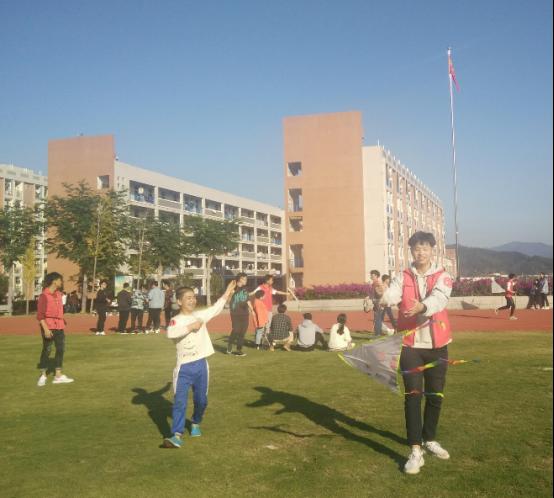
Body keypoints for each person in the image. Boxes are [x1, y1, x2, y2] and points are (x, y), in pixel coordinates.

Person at [381, 231, 453, 475]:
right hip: (410, 346)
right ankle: (415, 450)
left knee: (435, 395)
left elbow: (440, 299)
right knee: (413, 396)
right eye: (416, 248)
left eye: (425, 248)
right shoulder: (403, 276)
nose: (420, 252)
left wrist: (423, 306)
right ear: (411, 251)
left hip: (437, 345)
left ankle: (429, 438)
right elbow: (393, 294)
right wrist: (383, 297)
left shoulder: (443, 276)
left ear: (432, 250)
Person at [163, 280, 237, 448]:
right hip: (184, 367)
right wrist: (191, 326)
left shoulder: (200, 316)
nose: (192, 300)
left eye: (194, 297)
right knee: (180, 402)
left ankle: (195, 422)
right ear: (179, 301)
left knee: (201, 400)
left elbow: (215, 309)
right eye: (188, 298)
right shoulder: (175, 320)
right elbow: (171, 333)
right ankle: (176, 435)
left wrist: (227, 293)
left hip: (201, 365)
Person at [36, 272, 74, 386]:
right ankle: (43, 375)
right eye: (60, 280)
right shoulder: (44, 296)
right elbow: (40, 316)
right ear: (54, 281)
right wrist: (46, 329)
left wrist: (62, 320)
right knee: (47, 350)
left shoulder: (59, 294)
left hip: (59, 326)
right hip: (48, 326)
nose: (61, 282)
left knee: (60, 349)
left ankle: (58, 375)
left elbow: (59, 311)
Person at [252, 275, 290, 341]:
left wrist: (286, 293)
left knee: (268, 326)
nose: (272, 281)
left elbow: (277, 292)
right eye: (271, 280)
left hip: (269, 310)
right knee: (260, 326)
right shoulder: (260, 287)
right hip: (261, 311)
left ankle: (265, 341)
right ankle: (258, 340)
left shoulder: (270, 288)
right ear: (267, 280)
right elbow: (253, 293)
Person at [227, 273, 253, 356]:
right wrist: (231, 293)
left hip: (245, 313)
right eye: (244, 279)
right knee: (236, 330)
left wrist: (252, 309)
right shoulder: (233, 287)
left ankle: (239, 350)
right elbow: (228, 300)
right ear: (240, 279)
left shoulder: (245, 289)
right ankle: (230, 344)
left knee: (242, 332)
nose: (246, 280)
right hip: (235, 313)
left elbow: (247, 300)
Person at [369, 270, 385, 336]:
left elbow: (381, 293)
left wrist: (375, 298)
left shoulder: (377, 283)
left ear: (376, 276)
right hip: (376, 303)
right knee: (378, 318)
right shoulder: (374, 284)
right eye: (371, 275)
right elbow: (373, 294)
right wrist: (369, 297)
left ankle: (377, 333)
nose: (371, 276)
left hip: (378, 303)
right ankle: (379, 332)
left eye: (372, 275)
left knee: (377, 319)